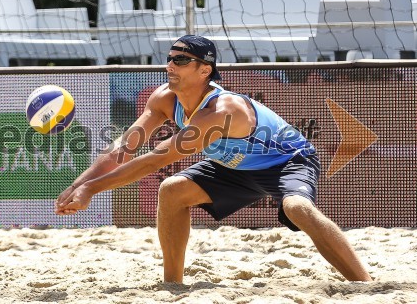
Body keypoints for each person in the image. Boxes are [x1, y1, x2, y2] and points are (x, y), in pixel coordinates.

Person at [55, 35, 372, 283]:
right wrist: (78, 185)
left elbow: (153, 160)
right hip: (232, 166)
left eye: (180, 60)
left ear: (204, 69)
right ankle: (173, 285)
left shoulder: (220, 112)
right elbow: (123, 148)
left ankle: (365, 285)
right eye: (169, 58)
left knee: (297, 208)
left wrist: (92, 190)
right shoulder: (165, 98)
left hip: (285, 160)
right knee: (172, 191)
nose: (170, 65)